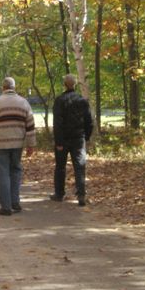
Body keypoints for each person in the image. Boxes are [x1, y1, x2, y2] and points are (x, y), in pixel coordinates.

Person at [0, 77, 36, 216]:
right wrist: (31, 144)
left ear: (3, 88)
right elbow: (30, 125)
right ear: (14, 87)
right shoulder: (24, 103)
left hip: (1, 143)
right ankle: (15, 203)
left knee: (3, 173)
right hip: (17, 143)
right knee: (16, 171)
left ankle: (5, 206)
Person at [51, 74, 93, 206]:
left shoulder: (59, 100)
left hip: (63, 139)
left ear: (64, 84)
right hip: (78, 138)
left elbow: (57, 123)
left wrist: (58, 142)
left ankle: (59, 193)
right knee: (80, 167)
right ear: (75, 84)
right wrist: (86, 136)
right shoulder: (82, 100)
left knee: (60, 167)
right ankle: (81, 194)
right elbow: (89, 121)